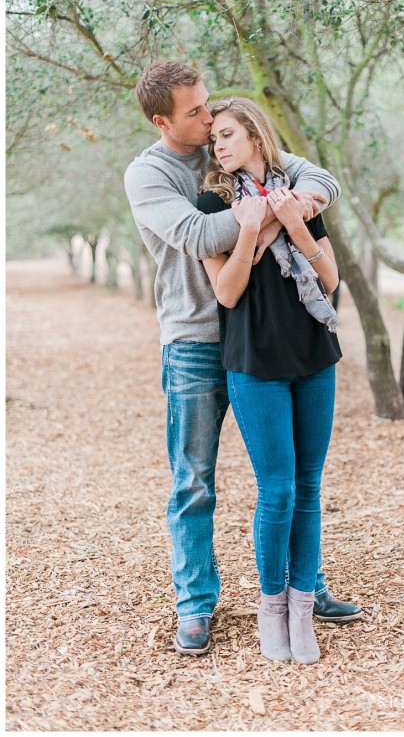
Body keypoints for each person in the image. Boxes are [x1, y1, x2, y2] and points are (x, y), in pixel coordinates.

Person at [123, 60, 361, 656]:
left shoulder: (229, 150)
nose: (207, 120)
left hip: (268, 337)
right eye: (196, 112)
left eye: (209, 107)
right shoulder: (151, 174)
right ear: (162, 120)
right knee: (195, 479)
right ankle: (196, 604)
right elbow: (204, 238)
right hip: (197, 339)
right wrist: (266, 210)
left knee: (290, 478)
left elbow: (319, 179)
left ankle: (307, 588)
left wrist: (302, 197)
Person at [197, 97, 344, 664]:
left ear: (257, 138)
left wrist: (291, 223)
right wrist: (252, 232)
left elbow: (328, 279)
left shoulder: (300, 198)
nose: (221, 145)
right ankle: (272, 608)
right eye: (216, 140)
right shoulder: (213, 205)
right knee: (277, 487)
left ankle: (304, 608)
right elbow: (227, 293)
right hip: (253, 358)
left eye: (229, 134)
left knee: (309, 486)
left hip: (312, 352)